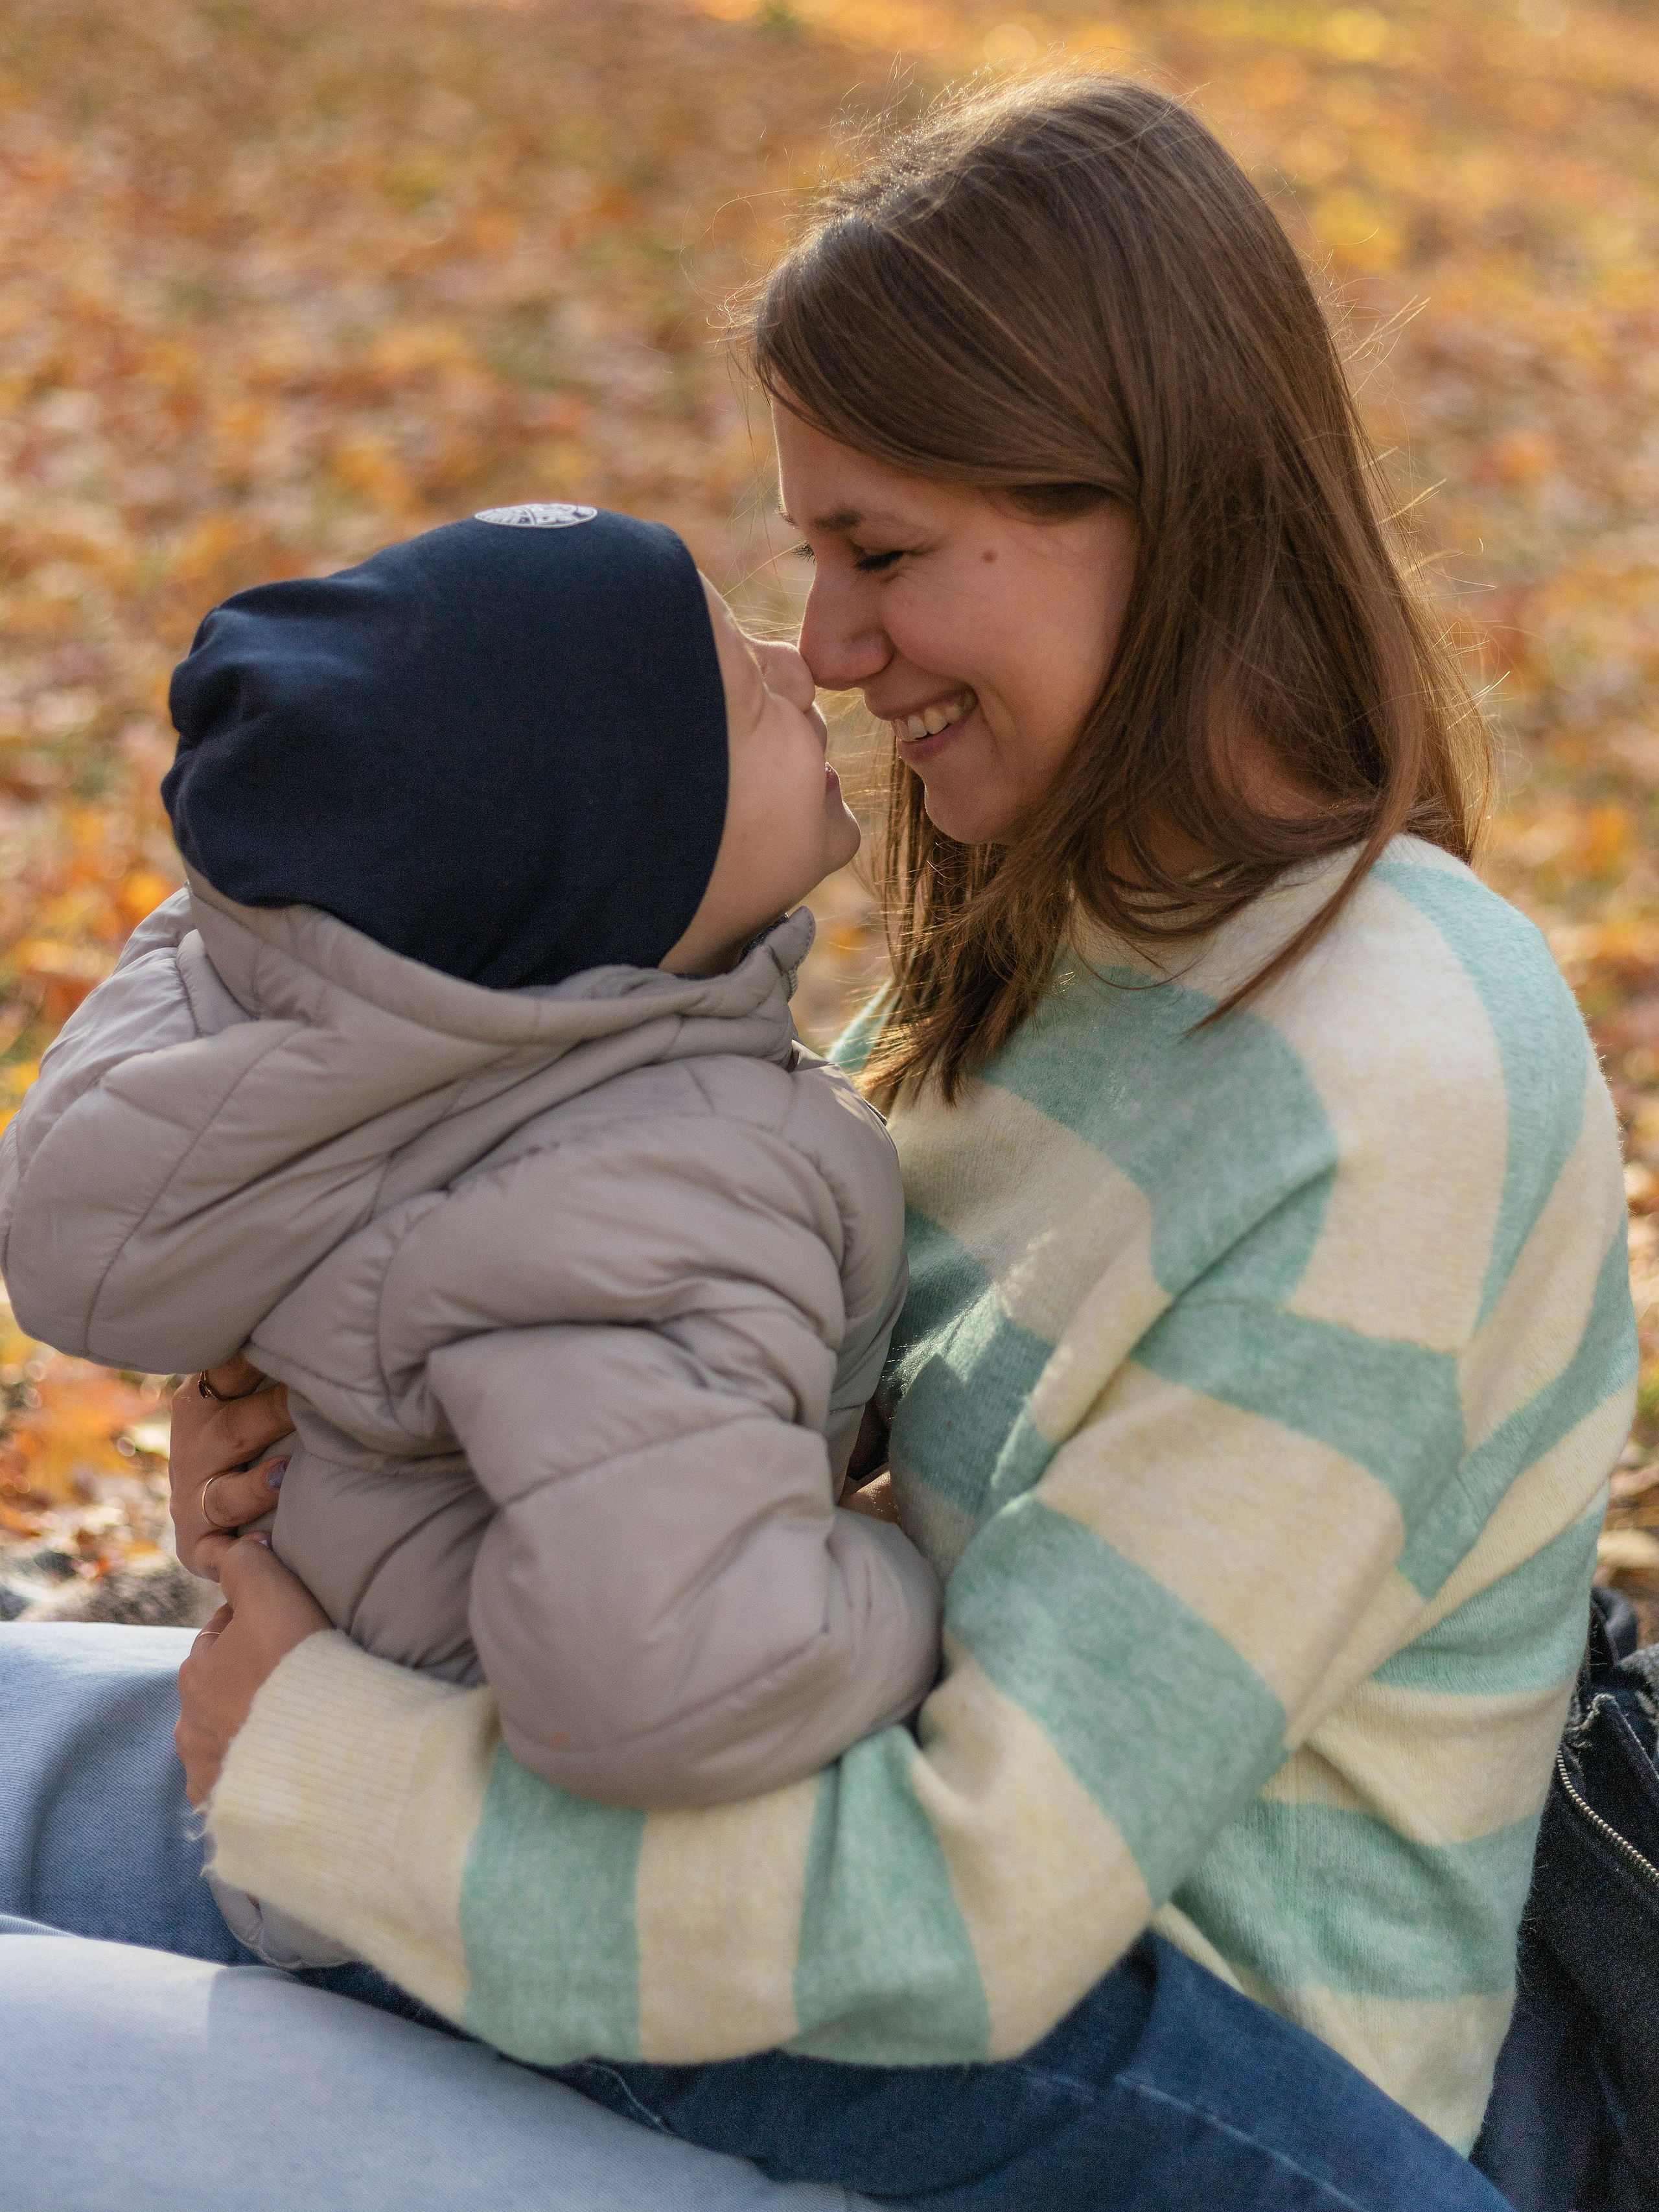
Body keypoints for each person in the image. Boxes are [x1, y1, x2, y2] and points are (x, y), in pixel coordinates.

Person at [0, 71, 1632, 2212]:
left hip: (1080, 2103)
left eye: (880, 554)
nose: (834, 650)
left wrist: (318, 1771)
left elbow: (976, 1911)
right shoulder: (1059, 935)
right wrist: (353, 1436)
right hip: (721, 1907)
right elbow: (693, 1384)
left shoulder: (1391, 1078)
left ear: (1159, 509)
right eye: (809, 555)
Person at [0, 506, 941, 1957]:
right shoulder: (657, 1185)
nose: (800, 658)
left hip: (317, 1812)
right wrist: (921, 1573)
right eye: (743, 694)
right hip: (481, 1926)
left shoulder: (421, 1075)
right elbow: (672, 1678)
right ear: (623, 863)